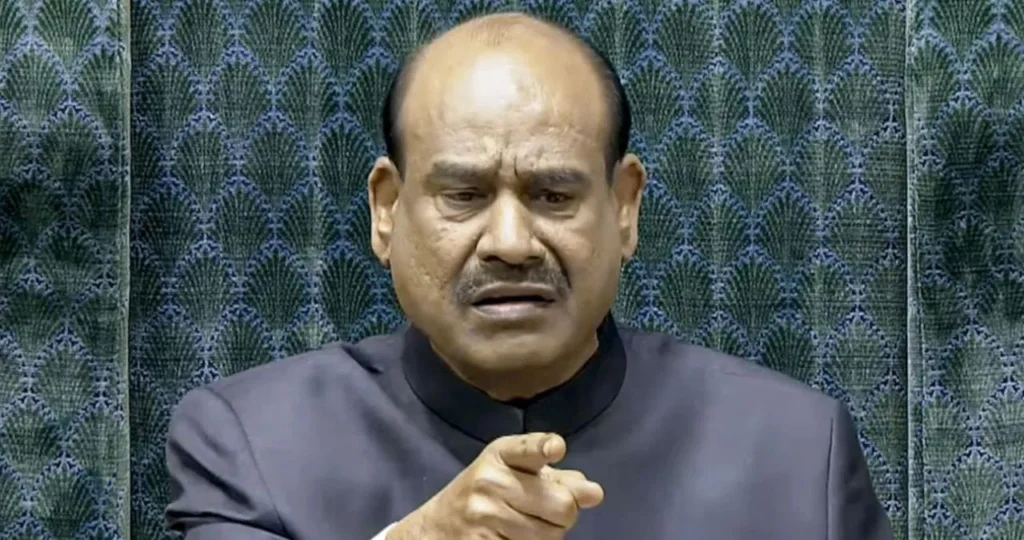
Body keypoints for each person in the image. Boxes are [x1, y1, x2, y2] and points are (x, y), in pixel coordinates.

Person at [164, 12, 893, 540]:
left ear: (624, 208)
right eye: (464, 195)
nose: (511, 244)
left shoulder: (799, 453)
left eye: (553, 195)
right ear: (387, 210)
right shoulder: (250, 442)